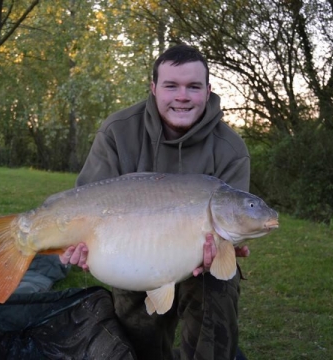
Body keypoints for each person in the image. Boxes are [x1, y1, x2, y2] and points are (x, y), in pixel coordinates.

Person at [59, 44, 251, 360]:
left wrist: (228, 245)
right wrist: (79, 243)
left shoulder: (230, 148)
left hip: (198, 262)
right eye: (171, 85)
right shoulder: (118, 131)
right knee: (135, 324)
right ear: (153, 88)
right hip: (133, 252)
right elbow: (87, 199)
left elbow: (235, 220)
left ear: (208, 90)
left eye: (193, 86)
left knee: (218, 287)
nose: (182, 96)